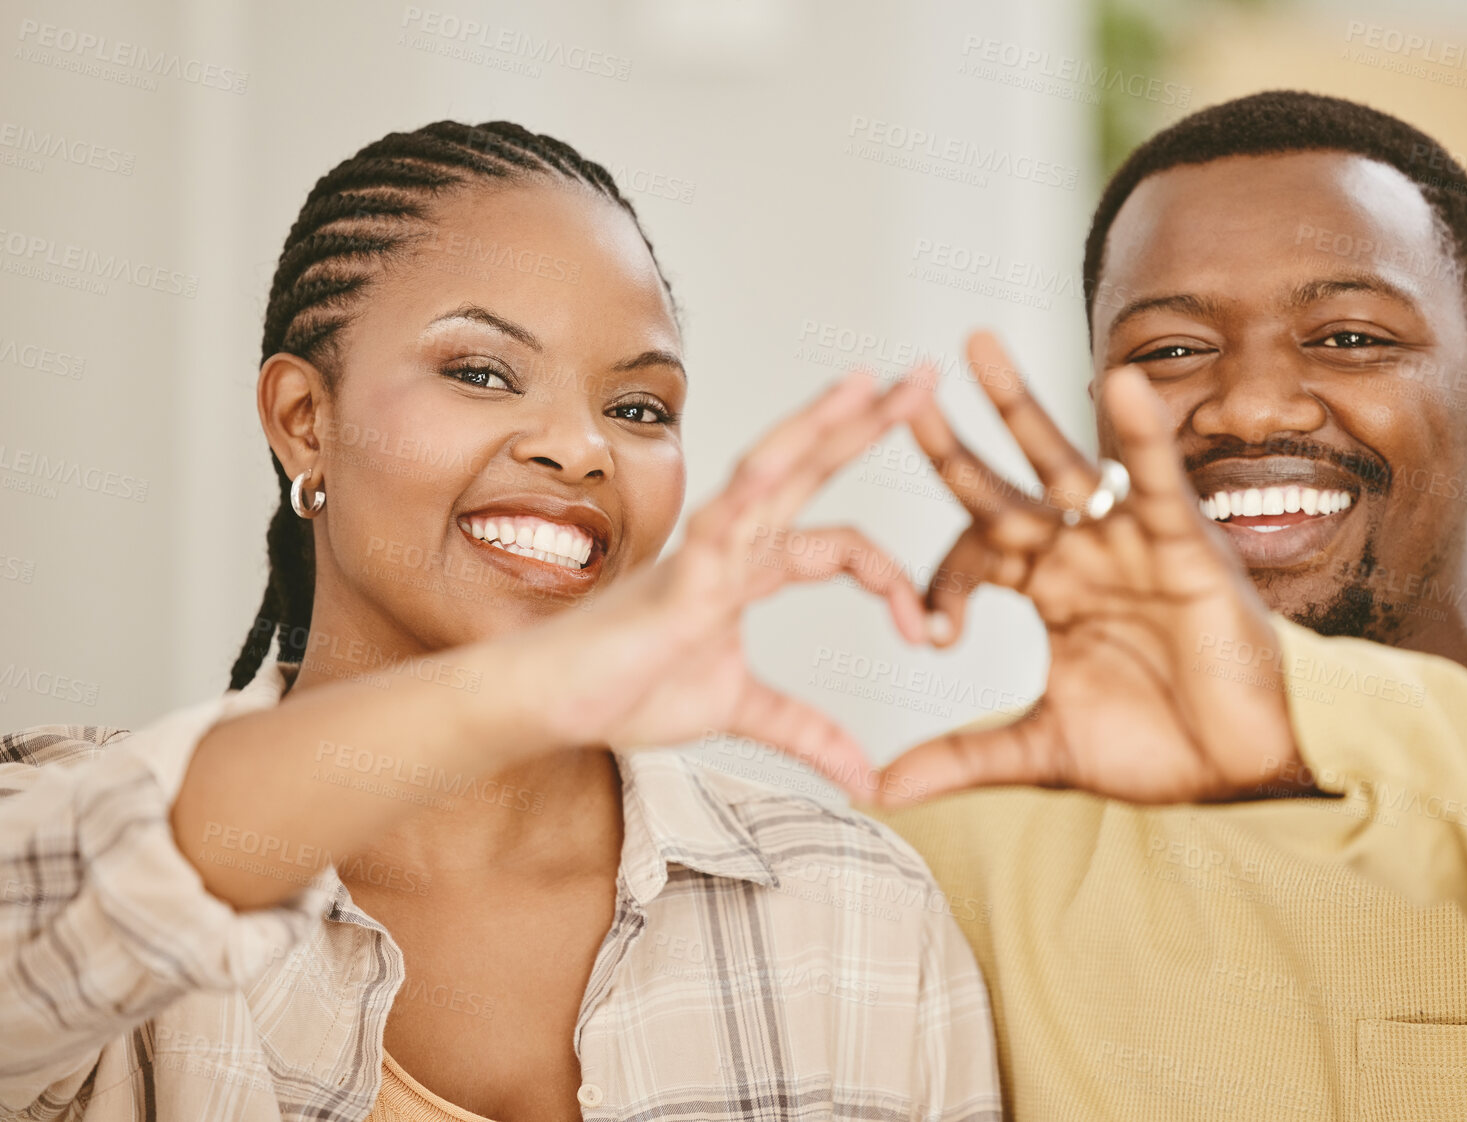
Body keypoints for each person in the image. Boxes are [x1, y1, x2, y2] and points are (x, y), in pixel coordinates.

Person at [0, 121, 999, 1122]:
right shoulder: (57, 820)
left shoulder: (862, 915)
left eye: (641, 408)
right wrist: (520, 691)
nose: (580, 448)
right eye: (480, 372)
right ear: (306, 420)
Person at [866, 91, 1467, 1119]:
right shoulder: (949, 851)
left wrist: (1306, 721)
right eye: (1170, 350)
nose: (1253, 406)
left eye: (1349, 337)